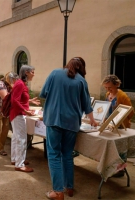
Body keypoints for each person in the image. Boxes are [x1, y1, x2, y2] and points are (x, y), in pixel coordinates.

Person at [40, 57, 97, 200]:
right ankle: (69, 187)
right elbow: (87, 105)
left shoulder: (54, 73)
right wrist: (92, 120)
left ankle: (58, 192)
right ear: (82, 68)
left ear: (68, 64)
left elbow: (43, 93)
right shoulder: (81, 81)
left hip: (54, 120)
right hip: (72, 123)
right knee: (67, 154)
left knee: (54, 155)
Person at [102, 74, 134, 178]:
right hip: (110, 125)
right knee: (112, 147)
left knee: (120, 148)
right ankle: (112, 167)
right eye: (106, 87)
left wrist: (122, 119)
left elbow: (130, 111)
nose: (108, 89)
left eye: (110, 87)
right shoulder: (107, 94)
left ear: (116, 85)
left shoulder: (123, 96)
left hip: (121, 126)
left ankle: (120, 170)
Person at [10, 65, 40, 173]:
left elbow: (19, 99)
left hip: (17, 114)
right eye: (32, 72)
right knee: (21, 139)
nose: (34, 74)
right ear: (26, 72)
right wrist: (26, 110)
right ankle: (19, 164)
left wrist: (30, 101)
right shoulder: (20, 84)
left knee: (16, 138)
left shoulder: (20, 83)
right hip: (18, 114)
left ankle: (15, 159)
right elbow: (15, 101)